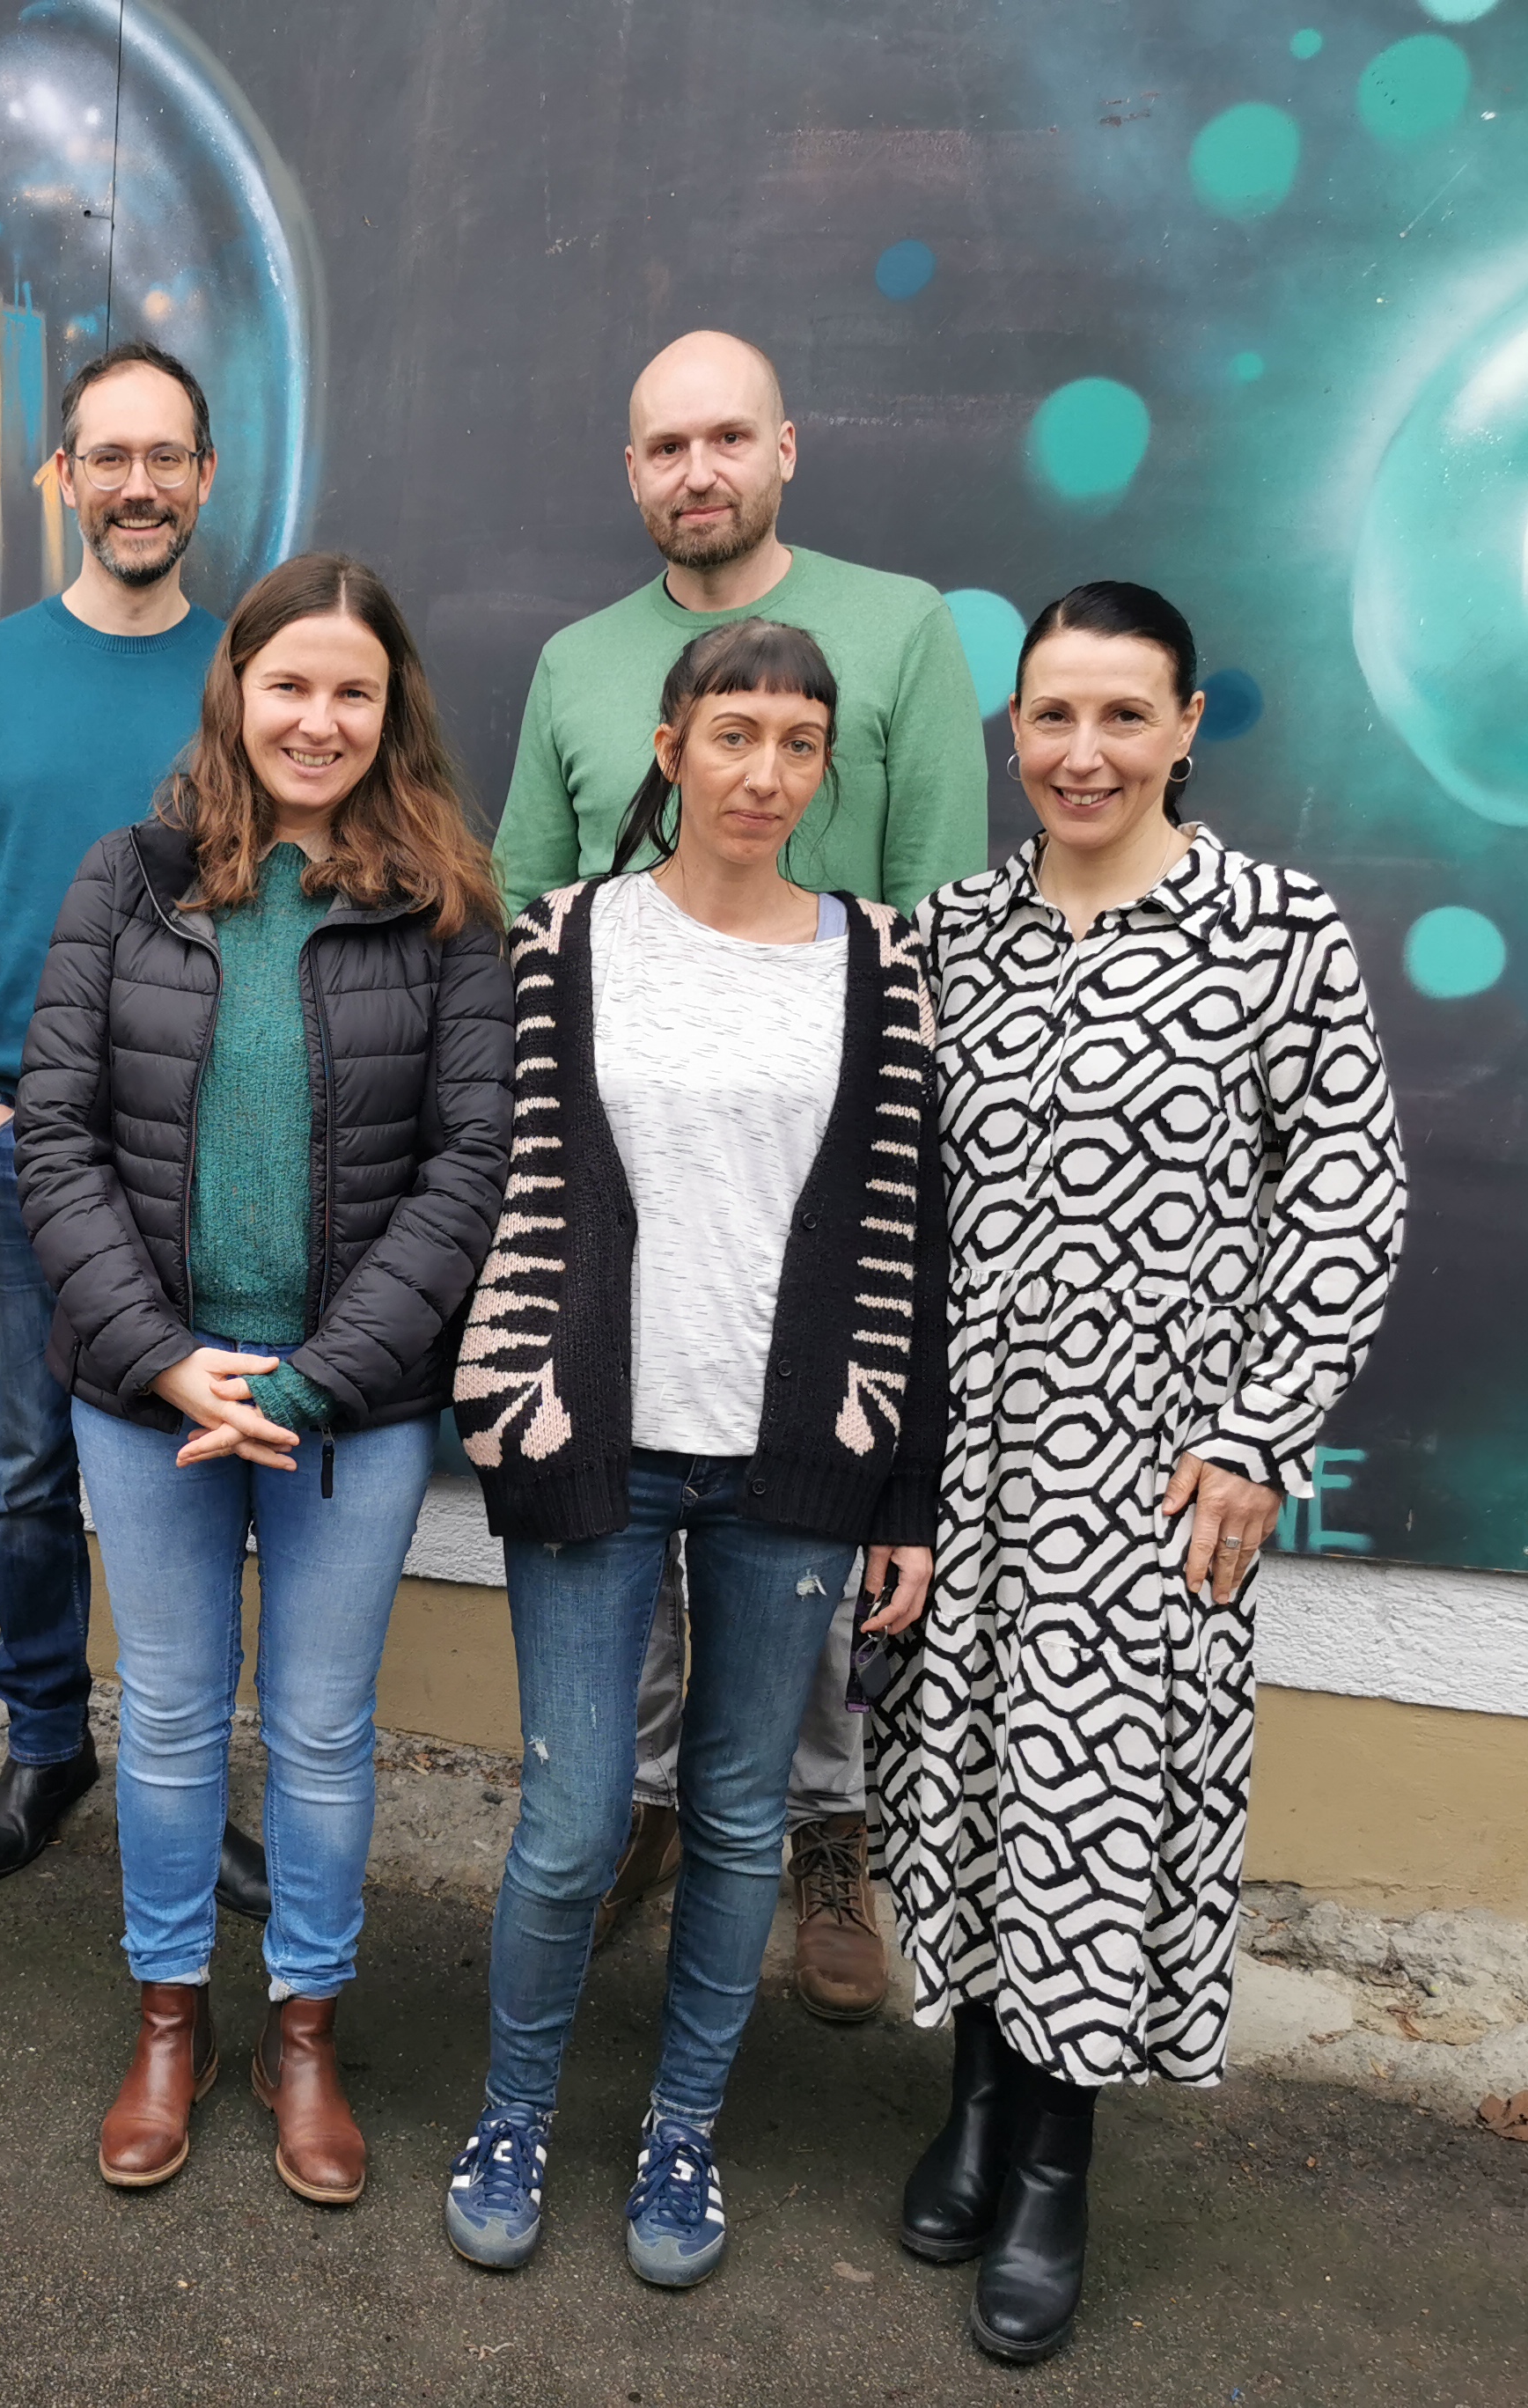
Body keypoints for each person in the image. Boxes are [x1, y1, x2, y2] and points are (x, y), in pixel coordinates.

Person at [875, 583, 1407, 2362]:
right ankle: (970, 2104)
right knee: (959, 1787)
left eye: (1123, 716)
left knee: (1092, 1819)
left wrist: (1260, 1431)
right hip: (962, 1476)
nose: (1083, 752)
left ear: (1186, 728)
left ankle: (1053, 2164)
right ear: (1012, 732)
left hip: (1155, 1481)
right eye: (1053, 716)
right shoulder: (951, 936)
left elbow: (1349, 1195)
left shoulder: (1275, 931)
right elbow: (888, 1202)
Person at [491, 329, 990, 2020]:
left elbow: (938, 899)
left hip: (818, 1152)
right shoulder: (576, 662)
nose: (695, 472)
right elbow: (526, 899)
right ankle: (634, 1815)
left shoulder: (899, 628)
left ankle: (825, 1834)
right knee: (620, 1525)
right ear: (630, 470)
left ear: (787, 447)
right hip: (634, 1167)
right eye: (664, 446)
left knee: (807, 1531)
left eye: (726, 438)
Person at [444, 621, 948, 2287]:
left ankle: (681, 2132)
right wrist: (504, 1396)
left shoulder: (878, 961)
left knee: (739, 1817)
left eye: (800, 743)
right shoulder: (563, 941)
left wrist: (905, 1493)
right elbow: (503, 1184)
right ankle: (514, 2113)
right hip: (592, 1437)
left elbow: (911, 1241)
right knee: (573, 1820)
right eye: (734, 734)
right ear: (670, 749)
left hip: (794, 1457)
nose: (766, 773)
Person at [16, 554, 513, 2204]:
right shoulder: (128, 880)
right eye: (290, 683)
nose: (318, 718)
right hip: (143, 1395)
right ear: (236, 691)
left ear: (392, 710)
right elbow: (58, 1142)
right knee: (166, 1718)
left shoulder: (446, 907)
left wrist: (302, 1389)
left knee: (318, 1728)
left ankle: (306, 2029)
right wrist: (168, 1364)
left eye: (353, 691)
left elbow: (468, 1171)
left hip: (346, 1411)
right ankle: (172, 2017)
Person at [0, 341, 269, 1910]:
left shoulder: (255, 674)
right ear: (62, 477)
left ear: (203, 476)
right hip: (19, 1142)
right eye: (107, 457)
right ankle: (46, 1744)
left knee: (206, 1465)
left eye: (164, 456)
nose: (136, 485)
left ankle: (189, 1773)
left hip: (210, 1151)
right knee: (31, 1468)